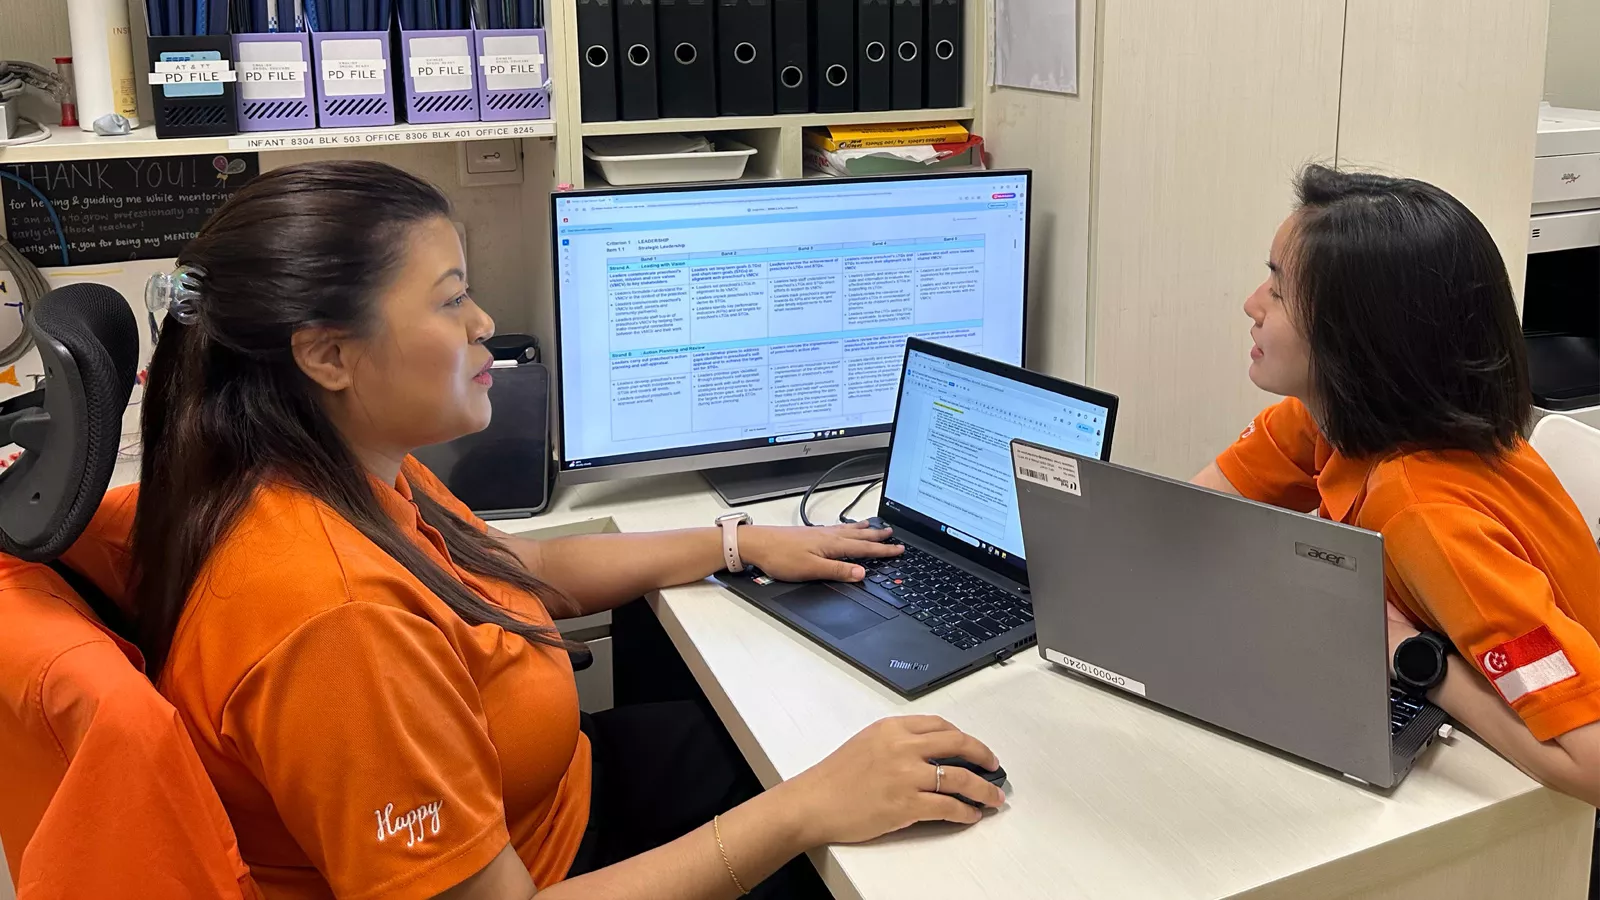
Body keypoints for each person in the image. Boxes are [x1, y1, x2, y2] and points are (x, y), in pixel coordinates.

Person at [119, 160, 1006, 900]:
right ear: (327, 355)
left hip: (555, 805)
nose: (484, 325)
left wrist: (736, 543)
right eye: (451, 301)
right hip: (555, 871)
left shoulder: (336, 468)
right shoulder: (335, 620)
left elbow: (522, 564)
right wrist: (801, 812)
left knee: (817, 751)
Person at [1194, 165, 1600, 807]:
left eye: (1279, 288)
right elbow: (1191, 519)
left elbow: (1593, 763)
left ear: (1354, 341)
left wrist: (1413, 656)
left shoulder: (1426, 511)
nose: (1252, 304)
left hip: (1551, 817)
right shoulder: (1333, 420)